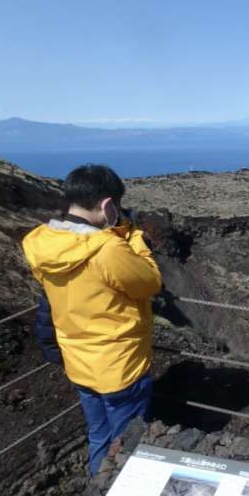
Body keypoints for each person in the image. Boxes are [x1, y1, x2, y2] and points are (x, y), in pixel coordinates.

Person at [22, 164, 162, 475]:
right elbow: (149, 282)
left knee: (99, 433)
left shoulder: (40, 242)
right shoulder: (107, 249)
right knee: (127, 441)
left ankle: (96, 484)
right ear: (107, 205)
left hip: (79, 363)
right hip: (120, 365)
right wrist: (135, 239)